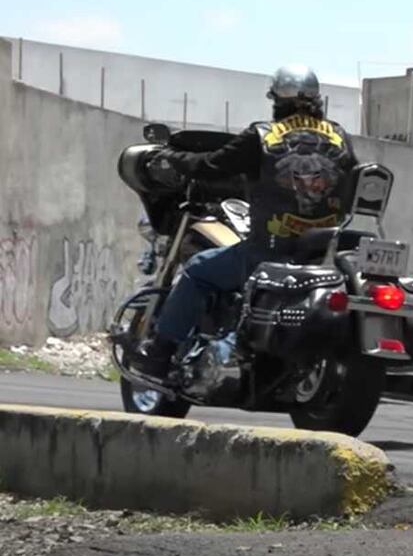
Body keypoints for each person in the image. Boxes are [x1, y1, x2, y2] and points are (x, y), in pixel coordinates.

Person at [132, 65, 358, 378]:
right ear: (317, 99)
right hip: (321, 255)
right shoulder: (339, 136)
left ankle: (160, 354)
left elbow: (211, 165)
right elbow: (353, 182)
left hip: (268, 252)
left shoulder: (262, 135)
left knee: (198, 271)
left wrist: (172, 158)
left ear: (277, 99)